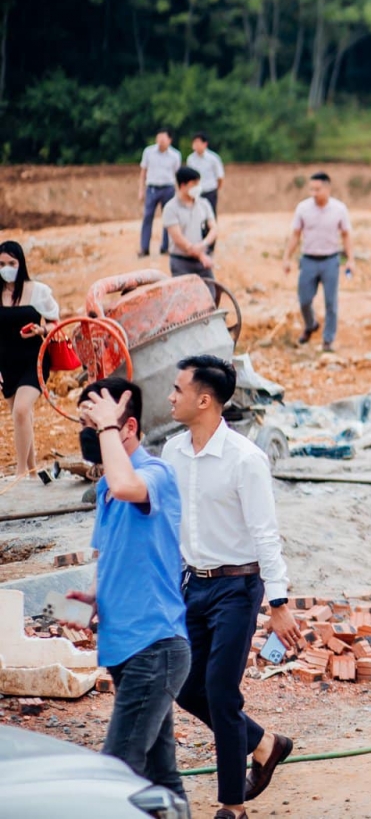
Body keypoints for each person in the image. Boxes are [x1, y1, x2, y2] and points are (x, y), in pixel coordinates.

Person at [162, 355, 296, 815]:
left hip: (237, 589)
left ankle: (232, 806)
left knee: (221, 692)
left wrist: (278, 601)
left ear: (204, 400)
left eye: (178, 389)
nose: (170, 397)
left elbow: (266, 534)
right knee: (186, 687)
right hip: (192, 586)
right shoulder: (173, 452)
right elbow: (171, 523)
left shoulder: (246, 459)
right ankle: (264, 744)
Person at [71, 379, 190, 804]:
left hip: (154, 647)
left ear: (129, 427)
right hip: (126, 648)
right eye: (87, 424)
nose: (91, 434)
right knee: (161, 776)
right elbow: (113, 553)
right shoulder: (106, 489)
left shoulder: (156, 474)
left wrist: (107, 426)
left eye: (99, 425)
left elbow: (127, 485)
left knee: (116, 772)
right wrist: (93, 596)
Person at [0, 240, 59, 482]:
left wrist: (40, 329)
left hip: (34, 360)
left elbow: (55, 323)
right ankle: (33, 472)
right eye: (1, 264)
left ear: (20, 263)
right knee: (21, 416)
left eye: (11, 263)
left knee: (22, 410)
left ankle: (20, 473)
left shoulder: (38, 291)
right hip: (7, 363)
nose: (6, 268)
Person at [282, 171, 352, 352]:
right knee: (304, 300)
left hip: (330, 260)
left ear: (328, 188)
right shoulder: (303, 208)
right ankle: (310, 324)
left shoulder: (339, 209)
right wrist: (286, 257)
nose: (314, 193)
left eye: (318, 189)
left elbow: (346, 235)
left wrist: (350, 259)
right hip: (308, 260)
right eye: (311, 189)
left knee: (331, 303)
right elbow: (295, 234)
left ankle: (328, 339)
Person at [163, 167, 220, 281]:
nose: (198, 187)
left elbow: (214, 228)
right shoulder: (170, 208)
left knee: (210, 291)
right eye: (194, 184)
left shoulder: (204, 204)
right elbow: (178, 238)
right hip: (181, 262)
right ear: (183, 185)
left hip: (202, 262)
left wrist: (204, 244)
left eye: (198, 183)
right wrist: (200, 255)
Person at [138, 127, 182, 258]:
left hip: (168, 188)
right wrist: (141, 190)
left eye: (164, 138)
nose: (161, 141)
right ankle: (144, 247)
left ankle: (166, 246)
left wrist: (180, 192)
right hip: (152, 188)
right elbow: (143, 172)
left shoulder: (175, 155)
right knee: (147, 216)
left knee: (168, 218)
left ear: (170, 140)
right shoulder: (148, 152)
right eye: (159, 138)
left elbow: (178, 175)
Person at [188, 132, 225, 218]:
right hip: (196, 192)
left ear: (205, 144)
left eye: (198, 142)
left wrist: (216, 188)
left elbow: (220, 176)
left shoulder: (213, 158)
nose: (196, 145)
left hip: (210, 190)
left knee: (211, 215)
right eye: (194, 143)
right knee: (196, 215)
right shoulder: (190, 159)